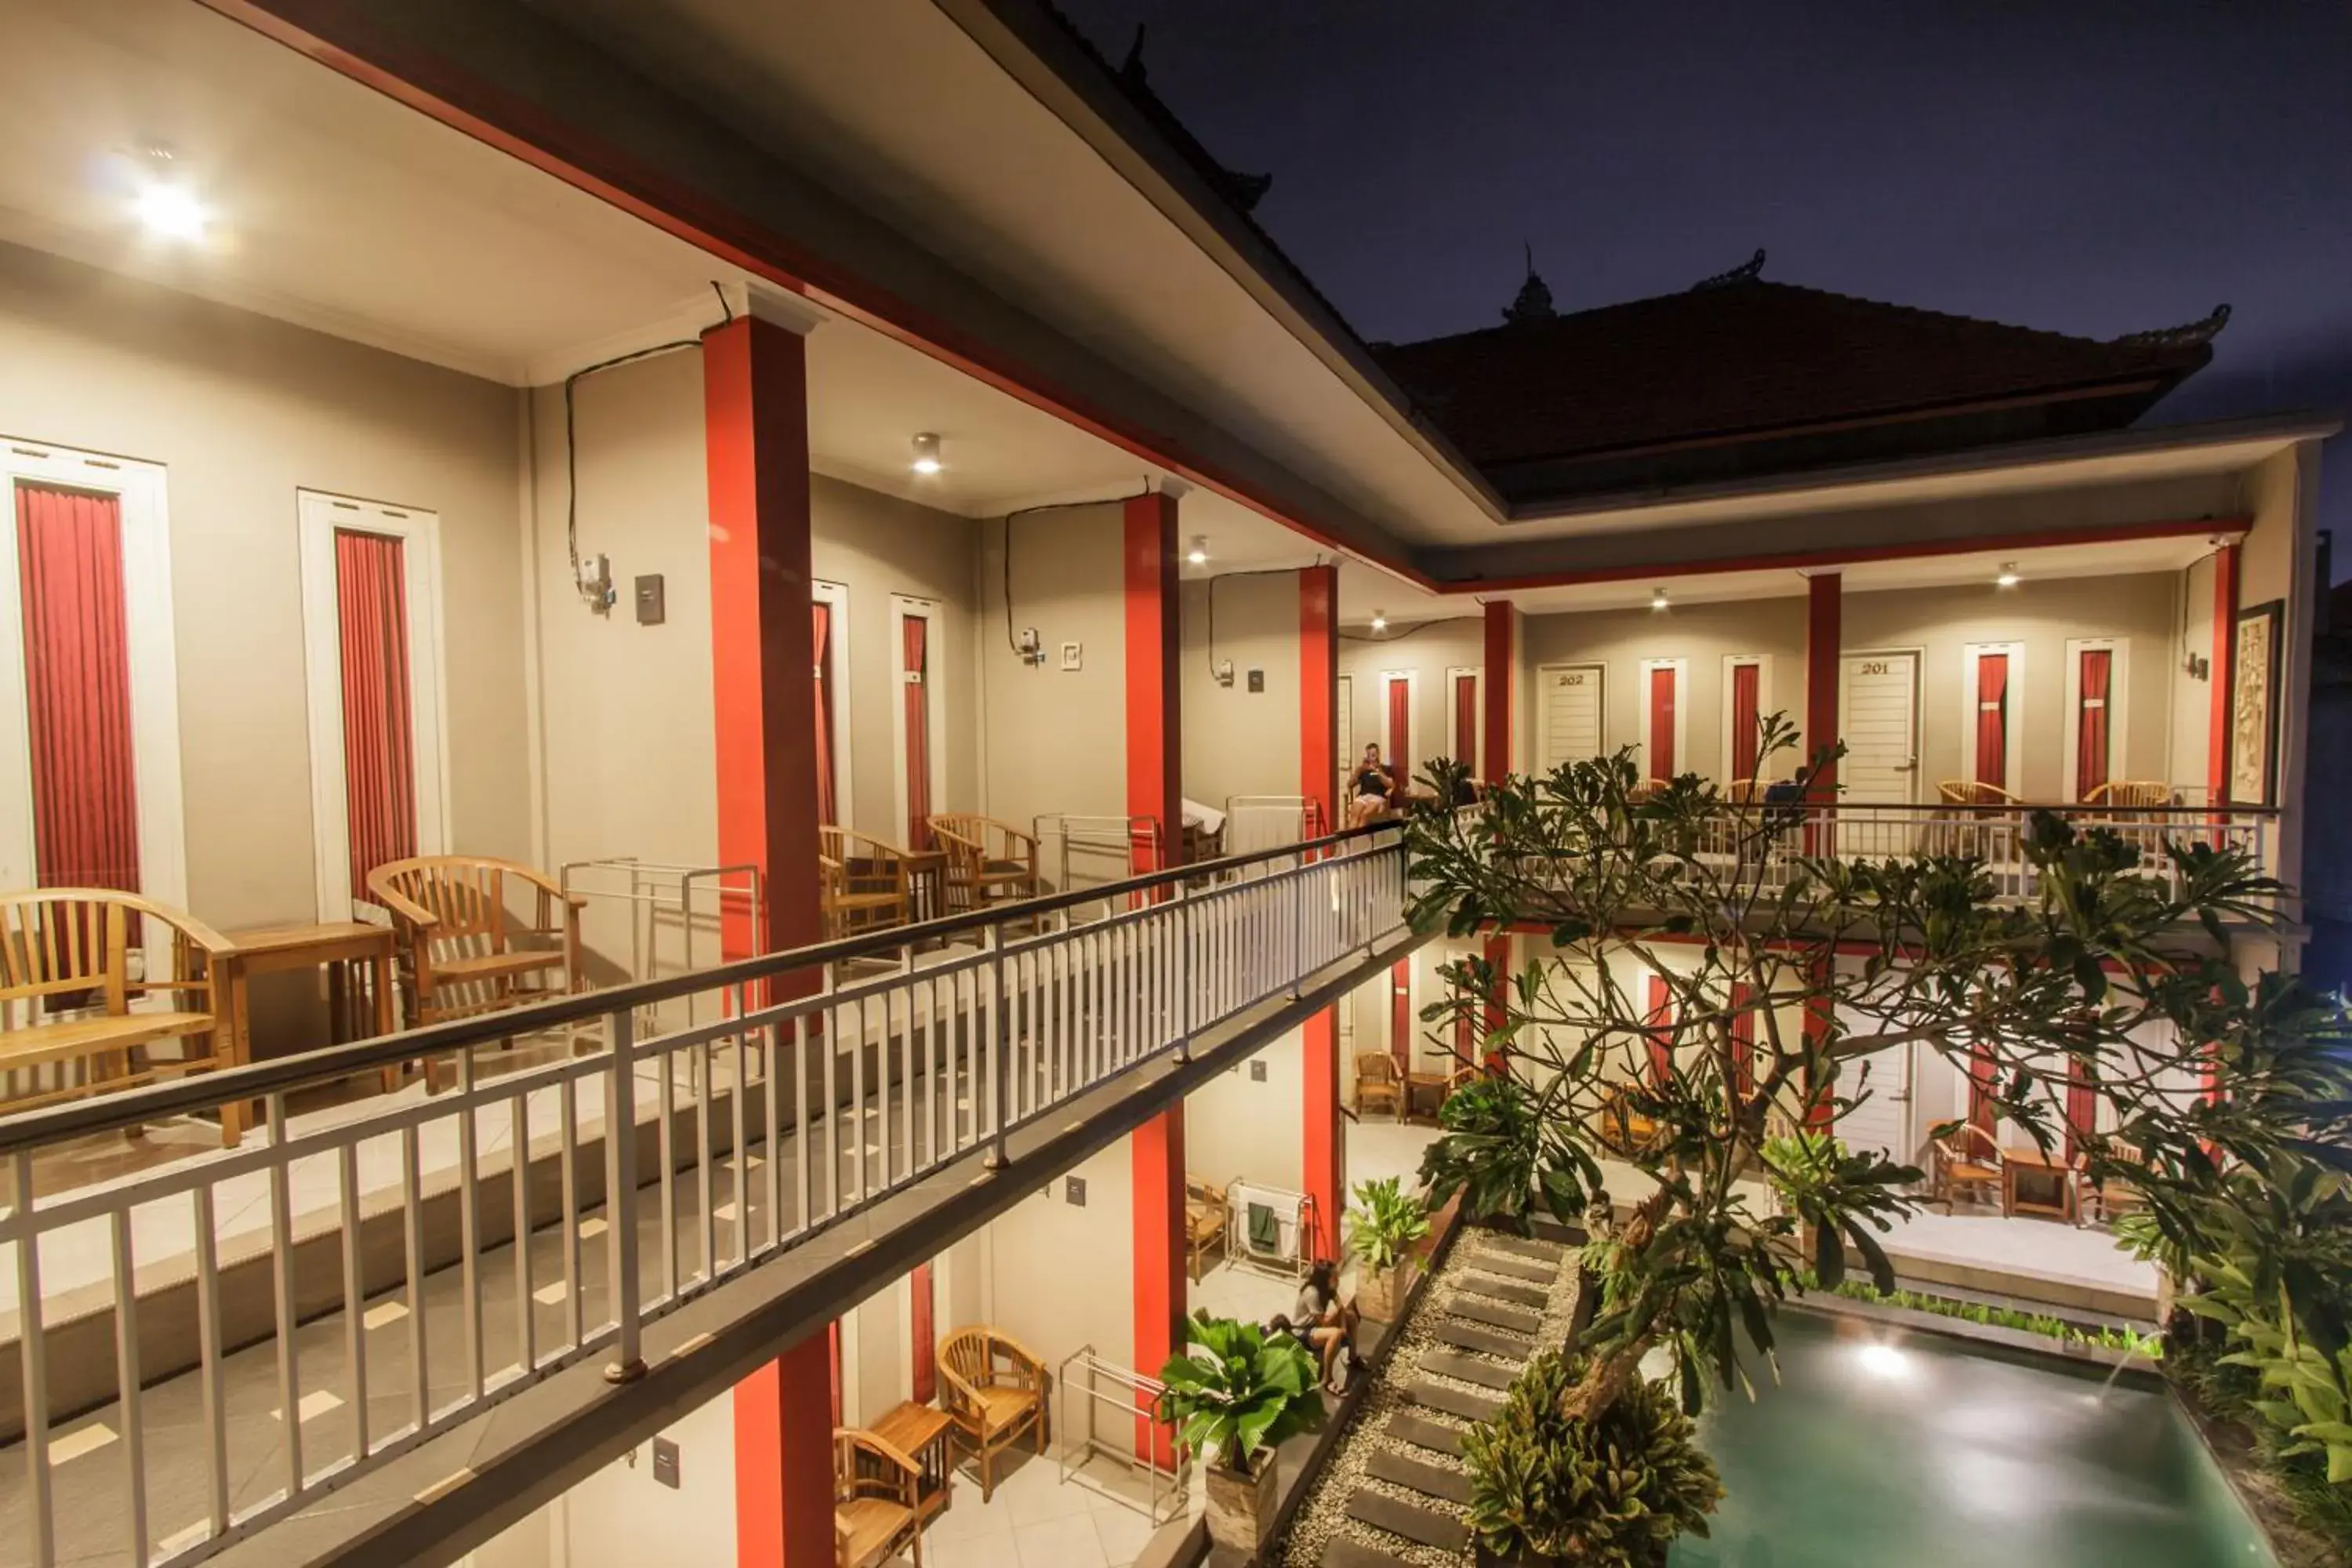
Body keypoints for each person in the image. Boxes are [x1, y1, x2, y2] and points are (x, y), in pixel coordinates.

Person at [1294, 1259, 1363, 1392]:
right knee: (1335, 1334)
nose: (1338, 1280)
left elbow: (1341, 1308)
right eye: (1335, 1277)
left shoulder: (1329, 1289)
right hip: (1304, 1332)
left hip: (1317, 1326)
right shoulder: (1312, 1293)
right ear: (1325, 1279)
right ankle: (1327, 1378)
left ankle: (1353, 1357)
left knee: (1352, 1318)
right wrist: (1339, 1324)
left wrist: (1343, 1326)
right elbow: (1323, 1321)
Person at [1348, 742, 1395, 828]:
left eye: (1374, 755)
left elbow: (1390, 784)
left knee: (1365, 815)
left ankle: (1361, 840)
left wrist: (1377, 771)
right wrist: (1359, 770)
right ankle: (1351, 840)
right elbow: (1350, 784)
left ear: (1378, 754)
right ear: (1368, 757)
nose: (1373, 757)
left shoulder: (1385, 769)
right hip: (1363, 796)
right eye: (1370, 755)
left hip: (1377, 796)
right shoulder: (1363, 769)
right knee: (1355, 817)